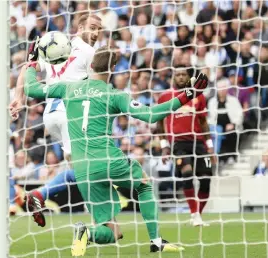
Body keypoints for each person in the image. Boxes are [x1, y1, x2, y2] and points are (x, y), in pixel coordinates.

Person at [23, 46, 209, 255]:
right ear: (112, 69)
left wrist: (31, 64)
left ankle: (86, 233)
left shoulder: (67, 88)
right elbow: (151, 115)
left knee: (112, 232)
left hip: (83, 169)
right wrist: (187, 95)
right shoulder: (114, 95)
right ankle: (156, 241)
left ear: (91, 66)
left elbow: (30, 89)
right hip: (108, 159)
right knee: (144, 186)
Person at [9, 14, 102, 227]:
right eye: (92, 27)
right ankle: (41, 194)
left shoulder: (57, 46)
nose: (96, 33)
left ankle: (99, 217)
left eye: (99, 29)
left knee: (83, 168)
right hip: (72, 113)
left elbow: (28, 67)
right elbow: (98, 87)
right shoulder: (89, 52)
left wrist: (18, 98)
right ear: (80, 27)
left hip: (51, 116)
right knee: (87, 168)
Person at [157, 65, 215, 226]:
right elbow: (159, 123)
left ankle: (197, 215)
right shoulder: (166, 97)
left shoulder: (199, 96)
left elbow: (203, 122)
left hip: (198, 143)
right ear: (173, 77)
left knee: (206, 178)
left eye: (184, 74)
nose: (181, 77)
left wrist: (210, 146)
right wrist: (164, 146)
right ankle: (194, 213)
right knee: (187, 173)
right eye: (178, 74)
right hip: (178, 144)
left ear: (189, 77)